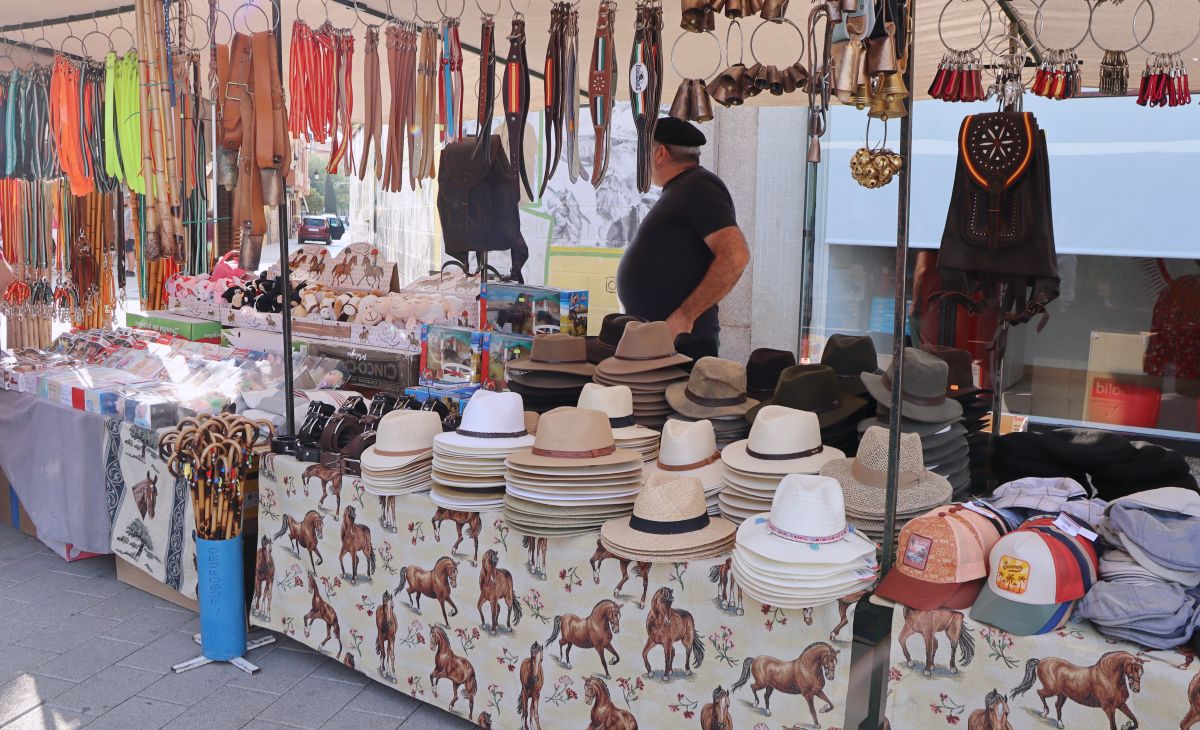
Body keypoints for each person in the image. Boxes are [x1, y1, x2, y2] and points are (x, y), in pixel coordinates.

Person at [615, 117, 750, 361]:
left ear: (660, 153)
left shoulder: (700, 186)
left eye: (644, 151)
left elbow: (735, 256)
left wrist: (684, 316)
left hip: (681, 343)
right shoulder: (682, 188)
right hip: (663, 342)